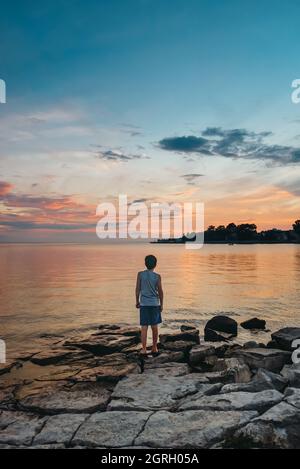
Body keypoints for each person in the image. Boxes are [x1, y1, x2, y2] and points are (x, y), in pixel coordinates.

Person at [135, 254, 163, 357]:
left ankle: (143, 349)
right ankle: (154, 347)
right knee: (154, 326)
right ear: (155, 264)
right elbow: (160, 292)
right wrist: (161, 304)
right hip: (154, 304)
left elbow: (137, 289)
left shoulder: (140, 274)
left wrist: (137, 301)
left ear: (145, 264)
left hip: (144, 304)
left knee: (144, 326)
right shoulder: (157, 277)